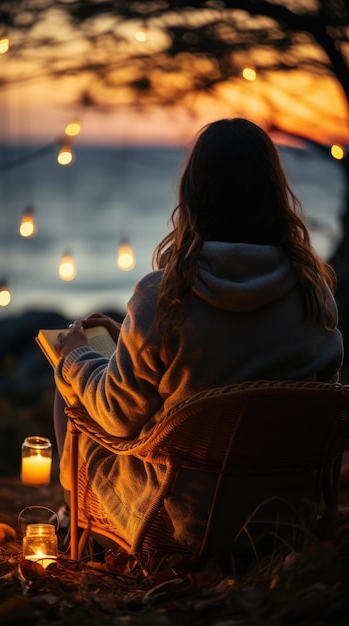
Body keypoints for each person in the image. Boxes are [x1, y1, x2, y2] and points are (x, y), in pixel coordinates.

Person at [53, 117, 343, 562]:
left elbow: (117, 417)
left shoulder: (164, 296)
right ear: (273, 192)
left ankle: (74, 521)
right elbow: (319, 398)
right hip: (284, 519)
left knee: (69, 385)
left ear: (193, 195)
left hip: (183, 526)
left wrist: (77, 359)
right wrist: (126, 342)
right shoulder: (313, 290)